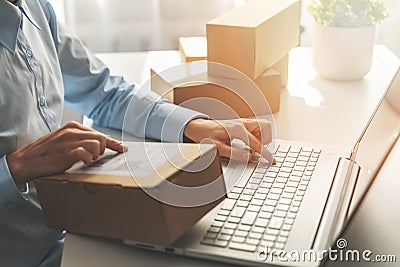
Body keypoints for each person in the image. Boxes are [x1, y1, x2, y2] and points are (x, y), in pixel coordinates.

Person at [0, 0, 274, 266]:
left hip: (76, 230)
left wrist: (192, 125)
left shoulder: (36, 8)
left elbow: (104, 93)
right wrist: (17, 166)